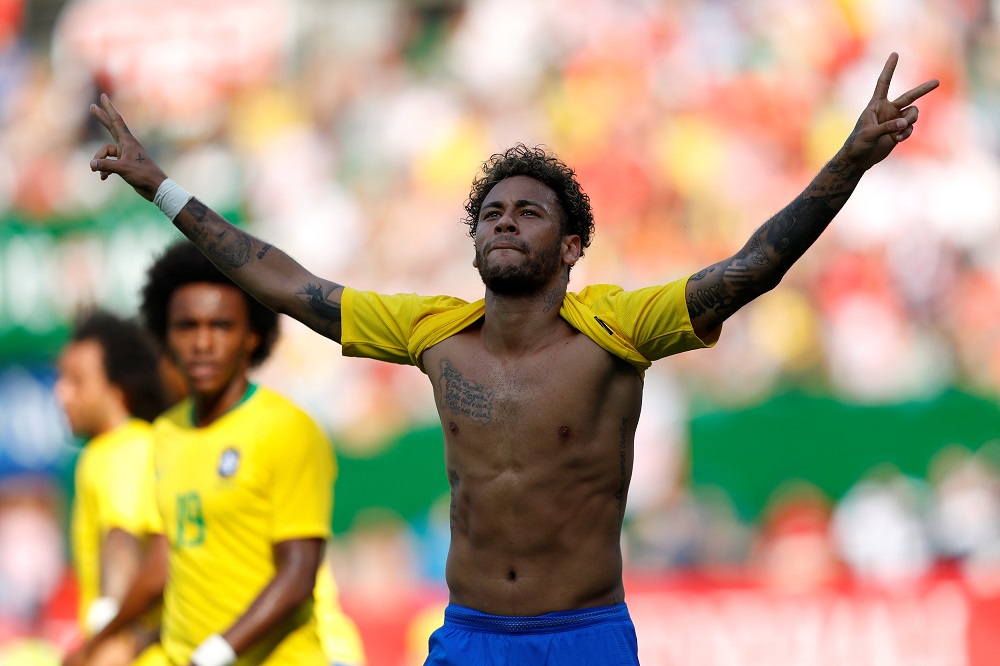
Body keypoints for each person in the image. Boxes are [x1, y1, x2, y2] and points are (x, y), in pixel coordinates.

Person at [88, 53, 938, 664]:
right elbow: (285, 282)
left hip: (585, 638)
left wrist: (852, 158)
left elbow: (755, 265)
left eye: (528, 212)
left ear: (570, 248)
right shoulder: (432, 332)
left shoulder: (621, 327)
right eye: (491, 211)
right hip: (467, 634)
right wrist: (163, 187)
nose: (503, 220)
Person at [64, 242, 366, 666]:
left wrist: (214, 655)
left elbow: (298, 573)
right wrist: (102, 643)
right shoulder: (167, 432)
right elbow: (165, 560)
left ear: (252, 336)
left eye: (220, 325)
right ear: (165, 337)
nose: (202, 342)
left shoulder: (286, 428)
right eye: (186, 326)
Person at [55, 311, 170, 665]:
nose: (61, 393)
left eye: (77, 381)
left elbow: (123, 541)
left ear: (118, 391)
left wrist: (104, 647)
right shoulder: (145, 443)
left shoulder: (119, 450)